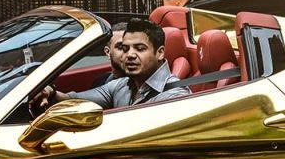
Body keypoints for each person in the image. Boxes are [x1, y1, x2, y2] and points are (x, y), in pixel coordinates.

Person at [30, 19, 188, 112]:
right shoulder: (121, 85)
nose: (130, 55)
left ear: (160, 53)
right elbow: (73, 100)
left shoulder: (175, 95)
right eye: (125, 49)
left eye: (140, 49)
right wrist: (49, 92)